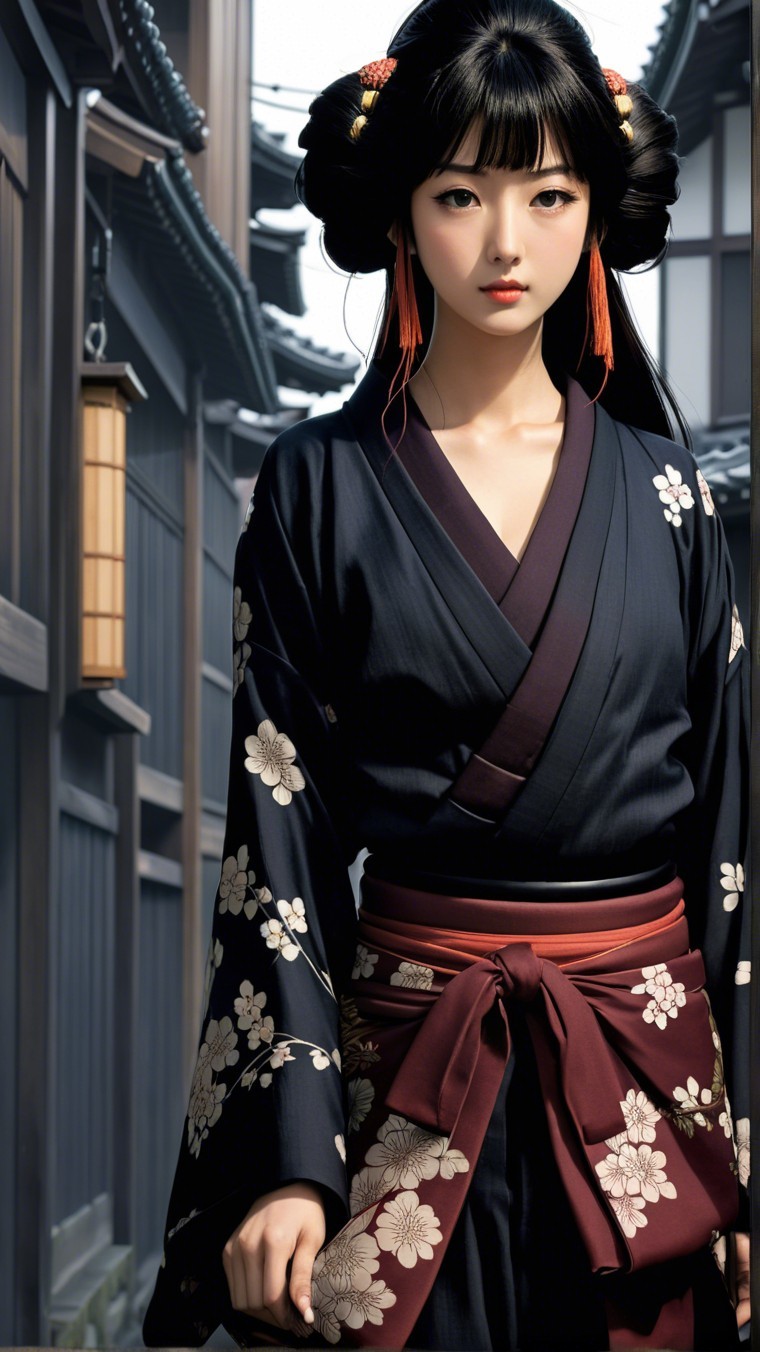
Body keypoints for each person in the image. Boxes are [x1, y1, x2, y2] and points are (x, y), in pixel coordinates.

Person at [141, 1, 751, 1347]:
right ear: (404, 213)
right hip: (406, 1094)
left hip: (648, 1093)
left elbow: (731, 843)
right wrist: (288, 1164)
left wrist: (748, 1151)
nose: (506, 241)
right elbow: (280, 844)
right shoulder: (316, 489)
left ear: (594, 212)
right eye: (462, 193)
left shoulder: (672, 498)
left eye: (549, 194)